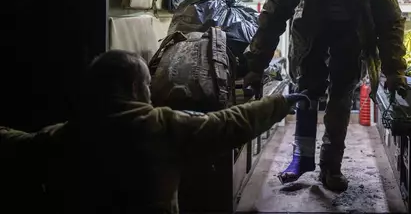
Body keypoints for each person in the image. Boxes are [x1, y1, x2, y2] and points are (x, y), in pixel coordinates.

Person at [0, 50, 309, 214]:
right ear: (134, 88)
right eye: (147, 84)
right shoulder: (161, 127)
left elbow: (19, 144)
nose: (150, 91)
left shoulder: (64, 136)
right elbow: (229, 124)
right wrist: (280, 103)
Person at [243, 0, 407, 192]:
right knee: (305, 91)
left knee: (341, 96)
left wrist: (394, 69)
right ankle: (302, 158)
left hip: (351, 32)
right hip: (312, 31)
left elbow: (389, 19)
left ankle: (331, 166)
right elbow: (275, 11)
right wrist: (256, 66)